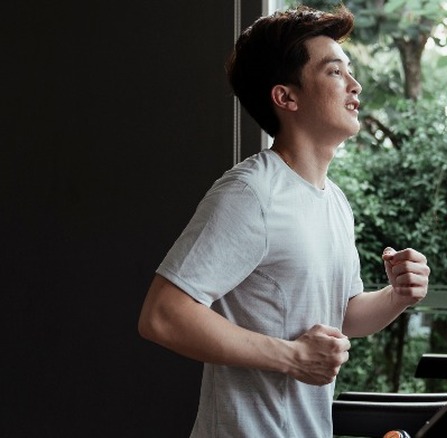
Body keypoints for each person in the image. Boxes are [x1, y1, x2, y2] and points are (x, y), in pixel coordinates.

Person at [137, 5, 430, 437]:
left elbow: (344, 315)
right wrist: (292, 357)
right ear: (286, 97)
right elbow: (162, 315)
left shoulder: (334, 201)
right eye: (334, 72)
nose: (355, 85)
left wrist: (397, 295)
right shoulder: (250, 193)